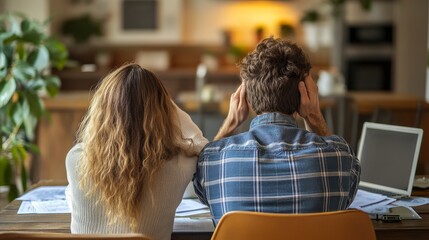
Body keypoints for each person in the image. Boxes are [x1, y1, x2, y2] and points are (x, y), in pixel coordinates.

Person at [193, 37, 361, 225]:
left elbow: (204, 193)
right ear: (305, 94)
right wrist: (314, 116)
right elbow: (349, 190)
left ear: (246, 95)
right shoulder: (340, 156)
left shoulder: (211, 160)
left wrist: (230, 123)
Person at [65, 63, 208, 240]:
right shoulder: (179, 165)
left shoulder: (77, 159)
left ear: (101, 111)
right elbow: (205, 151)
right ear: (164, 113)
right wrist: (170, 106)